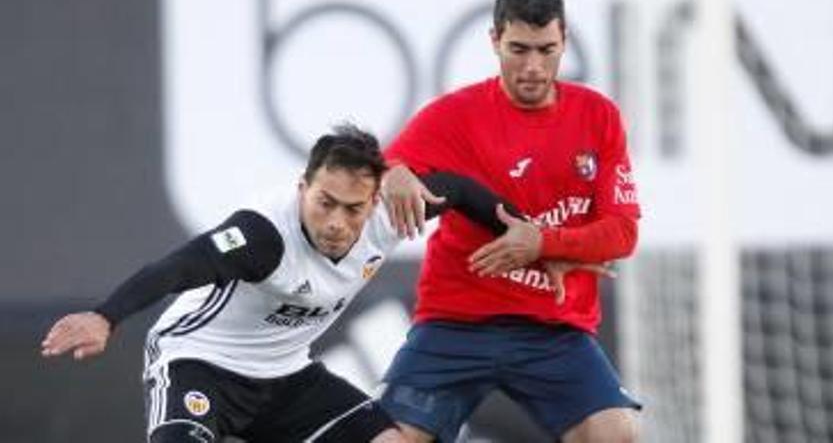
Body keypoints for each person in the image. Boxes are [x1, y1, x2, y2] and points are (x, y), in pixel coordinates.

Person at [41, 124, 525, 443]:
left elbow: (460, 192)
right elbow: (179, 266)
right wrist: (105, 316)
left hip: (286, 375)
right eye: (324, 202)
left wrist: (533, 240)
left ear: (374, 200)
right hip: (201, 361)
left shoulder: (390, 216)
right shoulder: (263, 234)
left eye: (352, 208)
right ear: (302, 188)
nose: (336, 222)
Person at [378, 0, 642, 443]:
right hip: (454, 324)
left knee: (616, 434)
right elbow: (383, 165)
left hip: (553, 331)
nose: (534, 67)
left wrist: (542, 243)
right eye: (519, 49)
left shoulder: (597, 116)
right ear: (495, 40)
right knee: (388, 439)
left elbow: (622, 233)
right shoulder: (455, 116)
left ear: (564, 41)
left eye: (547, 49)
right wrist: (392, 171)